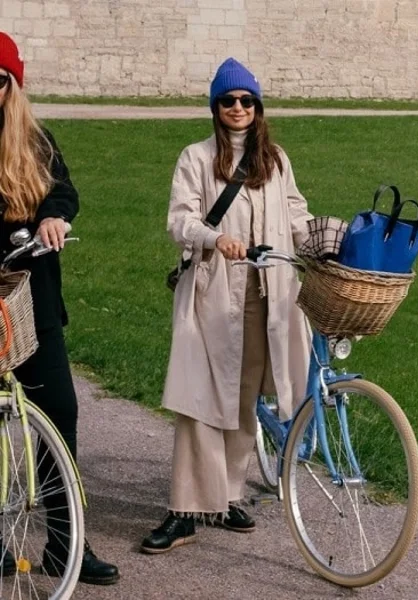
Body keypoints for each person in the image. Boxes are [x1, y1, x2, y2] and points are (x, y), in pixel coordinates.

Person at [141, 58, 312, 553]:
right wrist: (216, 239)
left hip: (266, 297)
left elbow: (295, 210)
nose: (238, 108)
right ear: (215, 108)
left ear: (258, 108)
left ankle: (227, 496)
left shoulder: (275, 160)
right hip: (212, 294)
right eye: (228, 101)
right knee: (198, 401)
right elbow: (180, 221)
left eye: (246, 101)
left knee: (243, 403)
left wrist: (323, 240)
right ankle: (184, 509)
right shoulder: (196, 158)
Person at [0, 32, 119, 585]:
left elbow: (63, 192)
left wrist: (53, 217)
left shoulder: (34, 140)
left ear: (13, 85)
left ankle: (66, 544)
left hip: (33, 304)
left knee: (59, 416)